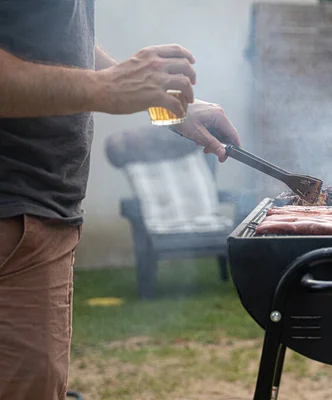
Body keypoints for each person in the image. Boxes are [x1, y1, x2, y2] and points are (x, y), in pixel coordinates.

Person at [0, 1, 241, 399]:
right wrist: (106, 88)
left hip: (41, 219)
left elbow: (54, 37)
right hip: (16, 219)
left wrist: (162, 102)